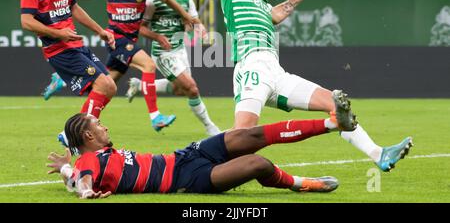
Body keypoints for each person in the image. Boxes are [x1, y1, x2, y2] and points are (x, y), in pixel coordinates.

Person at [210, 0, 413, 172]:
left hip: (275, 71)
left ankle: (378, 153)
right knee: (241, 135)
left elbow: (277, 14)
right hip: (252, 67)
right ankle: (204, 168)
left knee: (335, 104)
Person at [43, 0, 202, 133]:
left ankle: (64, 89)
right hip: (115, 38)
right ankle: (155, 117)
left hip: (129, 40)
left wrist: (185, 15)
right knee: (148, 65)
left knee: (105, 85)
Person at [46, 110, 368, 198]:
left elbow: (75, 178)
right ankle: (301, 183)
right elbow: (83, 181)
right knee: (257, 164)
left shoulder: (95, 156)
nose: (104, 127)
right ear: (88, 135)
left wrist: (65, 172)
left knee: (249, 135)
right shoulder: (89, 160)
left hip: (183, 156)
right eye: (98, 125)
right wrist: (83, 190)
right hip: (187, 179)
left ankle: (330, 122)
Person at [20, 0, 117, 145]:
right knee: (102, 84)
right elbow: (26, 21)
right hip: (59, 49)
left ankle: (70, 135)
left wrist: (100, 30)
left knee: (110, 86)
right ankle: (77, 138)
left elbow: (73, 7)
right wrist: (58, 33)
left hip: (76, 44)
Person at [125, 0, 220, 136]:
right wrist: (157, 37)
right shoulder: (152, 1)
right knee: (192, 88)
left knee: (180, 90)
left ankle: (142, 86)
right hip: (163, 54)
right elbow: (140, 27)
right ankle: (210, 127)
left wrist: (200, 30)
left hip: (180, 50)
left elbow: (193, 20)